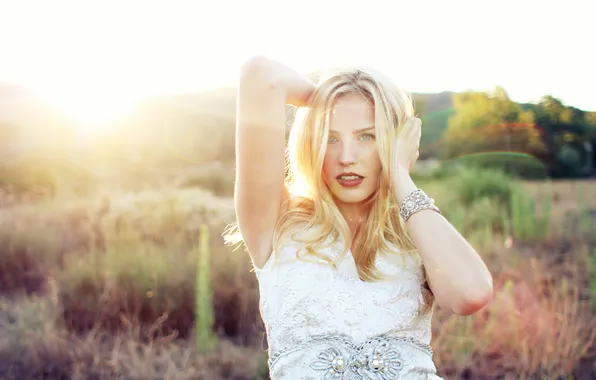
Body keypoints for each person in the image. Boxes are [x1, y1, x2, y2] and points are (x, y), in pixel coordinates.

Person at [225, 55, 493, 379]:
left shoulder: (416, 232)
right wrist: (324, 100)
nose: (346, 158)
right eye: (330, 137)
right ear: (312, 143)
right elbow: (259, 75)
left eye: (367, 136)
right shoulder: (276, 222)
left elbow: (471, 294)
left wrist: (399, 176)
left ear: (393, 142)